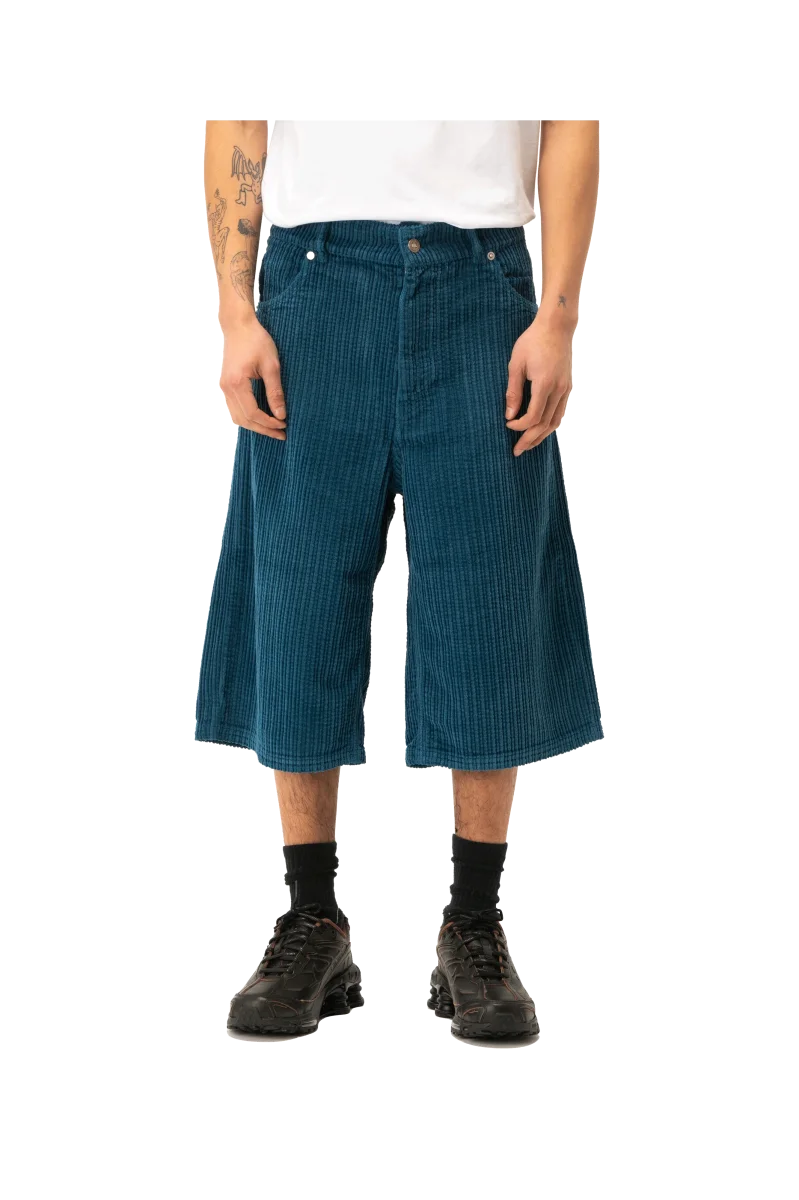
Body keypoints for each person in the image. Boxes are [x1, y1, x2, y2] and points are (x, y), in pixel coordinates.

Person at [198, 120, 601, 1040]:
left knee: (488, 601)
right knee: (299, 599)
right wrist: (236, 311)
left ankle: (474, 925)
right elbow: (238, 124)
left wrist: (556, 316)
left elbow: (569, 127)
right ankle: (311, 919)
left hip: (482, 283)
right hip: (310, 283)